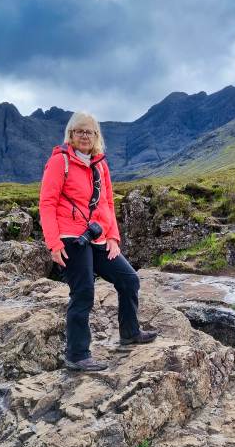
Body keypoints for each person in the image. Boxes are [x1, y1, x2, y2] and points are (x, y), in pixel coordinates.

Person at [39, 111, 157, 372]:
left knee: (129, 279)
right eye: (79, 131)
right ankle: (77, 355)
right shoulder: (60, 162)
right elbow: (47, 203)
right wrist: (53, 244)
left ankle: (130, 332)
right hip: (71, 238)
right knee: (83, 293)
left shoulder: (100, 165)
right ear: (70, 134)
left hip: (98, 236)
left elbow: (108, 203)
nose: (84, 135)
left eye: (89, 131)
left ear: (96, 137)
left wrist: (113, 237)